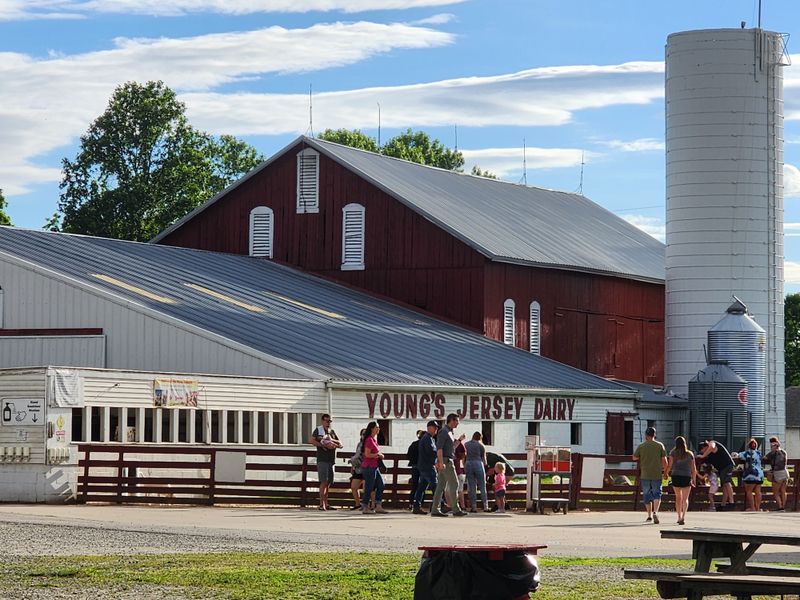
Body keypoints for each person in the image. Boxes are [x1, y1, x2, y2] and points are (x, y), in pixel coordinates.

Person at [431, 413, 467, 517]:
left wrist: (459, 440)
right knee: (454, 483)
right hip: (446, 461)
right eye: (457, 421)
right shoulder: (444, 431)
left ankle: (435, 509)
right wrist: (441, 462)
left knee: (440, 486)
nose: (458, 423)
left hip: (447, 459)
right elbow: (439, 448)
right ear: (451, 420)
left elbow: (452, 447)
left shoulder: (450, 432)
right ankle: (456, 509)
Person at [632, 426, 667, 524]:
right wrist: (665, 471)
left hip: (645, 474)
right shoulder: (660, 445)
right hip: (656, 474)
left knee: (647, 495)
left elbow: (634, 457)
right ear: (654, 435)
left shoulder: (641, 446)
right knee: (657, 494)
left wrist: (642, 456)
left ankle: (649, 515)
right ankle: (655, 512)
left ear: (646, 435)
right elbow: (665, 461)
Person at [309, 413, 342, 511]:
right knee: (323, 481)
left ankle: (326, 503)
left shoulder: (332, 432)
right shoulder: (318, 430)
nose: (328, 423)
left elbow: (340, 443)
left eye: (330, 421)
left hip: (331, 460)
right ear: (322, 421)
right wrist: (323, 445)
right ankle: (321, 504)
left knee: (328, 482)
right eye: (327, 421)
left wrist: (332, 442)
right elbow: (311, 441)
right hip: (322, 459)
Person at [697, 439, 736, 510]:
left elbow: (712, 447)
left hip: (727, 465)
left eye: (702, 451)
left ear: (704, 447)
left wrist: (703, 456)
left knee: (727, 482)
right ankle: (723, 504)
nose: (703, 453)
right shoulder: (710, 456)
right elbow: (706, 463)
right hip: (721, 469)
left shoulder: (712, 443)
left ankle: (732, 502)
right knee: (724, 485)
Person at [667, 436, 697, 525]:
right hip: (686, 477)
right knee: (685, 498)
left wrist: (666, 473)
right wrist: (694, 479)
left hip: (676, 476)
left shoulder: (673, 453)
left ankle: (679, 516)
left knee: (678, 498)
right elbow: (693, 468)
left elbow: (670, 465)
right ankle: (683, 516)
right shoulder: (690, 454)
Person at [360, 421, 388, 514]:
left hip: (375, 466)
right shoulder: (369, 440)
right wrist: (378, 455)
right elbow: (367, 454)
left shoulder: (374, 440)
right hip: (369, 467)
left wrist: (378, 455)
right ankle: (365, 506)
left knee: (381, 484)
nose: (378, 429)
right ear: (372, 428)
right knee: (369, 486)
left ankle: (378, 505)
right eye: (377, 427)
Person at [413, 421, 440, 514]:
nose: (436, 429)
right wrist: (439, 454)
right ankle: (439, 505)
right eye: (434, 427)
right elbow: (431, 451)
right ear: (429, 428)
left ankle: (417, 506)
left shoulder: (429, 438)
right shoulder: (427, 439)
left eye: (436, 428)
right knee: (435, 485)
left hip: (424, 465)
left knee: (422, 487)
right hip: (428, 466)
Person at [464, 431, 490, 512]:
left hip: (468, 463)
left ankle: (474, 507)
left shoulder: (466, 444)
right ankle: (485, 506)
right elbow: (484, 460)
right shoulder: (481, 445)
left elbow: (464, 455)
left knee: (472, 487)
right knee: (482, 485)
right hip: (478, 463)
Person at [738, 437, 764, 512]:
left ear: (748, 446)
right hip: (759, 474)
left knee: (749, 491)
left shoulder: (746, 453)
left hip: (750, 475)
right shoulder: (759, 453)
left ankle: (752, 508)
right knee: (758, 491)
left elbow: (739, 456)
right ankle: (758, 508)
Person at [764, 436, 789, 511]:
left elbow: (765, 458)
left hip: (777, 473)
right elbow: (785, 462)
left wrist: (772, 450)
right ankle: (783, 506)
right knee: (783, 491)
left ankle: (780, 506)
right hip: (785, 472)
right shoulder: (784, 452)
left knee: (775, 492)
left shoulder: (772, 453)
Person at [348, 428, 366, 510]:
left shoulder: (369, 443)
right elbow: (356, 455)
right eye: (362, 434)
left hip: (366, 468)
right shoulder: (359, 444)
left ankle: (366, 505)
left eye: (365, 434)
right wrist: (353, 466)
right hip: (358, 468)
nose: (364, 436)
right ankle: (358, 504)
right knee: (354, 487)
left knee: (366, 488)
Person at [407, 430, 424, 509]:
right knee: (423, 485)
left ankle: (411, 503)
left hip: (414, 466)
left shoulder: (414, 444)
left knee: (414, 485)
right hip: (423, 466)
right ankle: (420, 503)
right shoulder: (425, 444)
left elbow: (408, 455)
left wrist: (413, 461)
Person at [454, 435, 467, 510]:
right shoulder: (459, 445)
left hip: (452, 471)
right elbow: (464, 453)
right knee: (460, 490)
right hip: (459, 470)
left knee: (450, 490)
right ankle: (463, 506)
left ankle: (453, 506)